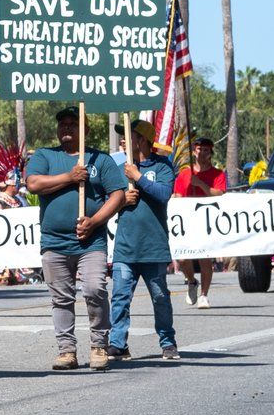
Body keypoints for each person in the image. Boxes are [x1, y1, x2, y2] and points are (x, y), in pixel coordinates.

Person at [23, 108, 123, 372]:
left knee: (94, 289)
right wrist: (69, 177)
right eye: (63, 124)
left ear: (85, 130)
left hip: (91, 242)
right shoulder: (45, 155)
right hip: (54, 242)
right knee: (61, 298)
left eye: (73, 124)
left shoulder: (100, 159)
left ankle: (99, 345)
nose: (67, 128)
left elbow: (117, 195)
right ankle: (67, 351)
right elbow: (33, 183)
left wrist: (95, 221)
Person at [107, 120, 183, 362]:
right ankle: (118, 344)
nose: (124, 141)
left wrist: (137, 176)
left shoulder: (163, 167)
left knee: (160, 297)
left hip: (154, 247)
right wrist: (122, 201)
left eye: (129, 136)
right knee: (120, 295)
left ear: (142, 140)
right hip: (125, 247)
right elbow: (107, 202)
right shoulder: (120, 169)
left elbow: (163, 194)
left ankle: (168, 342)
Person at [176, 137, 230, 308]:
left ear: (210, 153)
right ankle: (192, 281)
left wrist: (200, 184)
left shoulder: (217, 174)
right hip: (187, 222)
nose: (202, 152)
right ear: (194, 151)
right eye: (199, 149)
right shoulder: (185, 174)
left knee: (205, 259)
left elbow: (219, 194)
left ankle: (204, 295)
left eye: (206, 150)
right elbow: (177, 196)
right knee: (183, 259)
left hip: (207, 221)